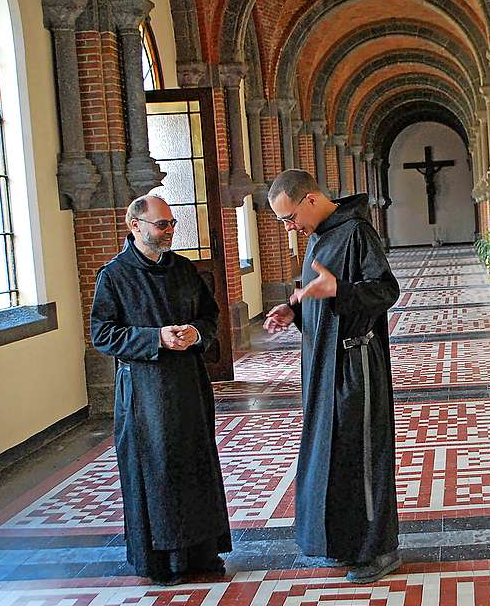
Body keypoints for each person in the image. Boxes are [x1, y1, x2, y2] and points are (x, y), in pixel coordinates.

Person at [264, 169, 401, 583]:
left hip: (355, 364)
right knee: (334, 456)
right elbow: (316, 293)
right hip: (323, 365)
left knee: (362, 456)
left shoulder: (357, 231)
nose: (291, 228)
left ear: (309, 200)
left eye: (290, 218)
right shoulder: (318, 236)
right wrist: (294, 309)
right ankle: (343, 543)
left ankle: (379, 549)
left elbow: (385, 291)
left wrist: (339, 291)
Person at [90, 195, 231, 585]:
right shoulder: (114, 276)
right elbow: (102, 334)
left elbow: (210, 315)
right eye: (161, 224)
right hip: (145, 393)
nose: (169, 230)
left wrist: (196, 332)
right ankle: (163, 561)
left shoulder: (184, 269)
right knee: (156, 469)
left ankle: (203, 552)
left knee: (195, 463)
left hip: (188, 384)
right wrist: (156, 338)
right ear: (135, 226)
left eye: (171, 223)